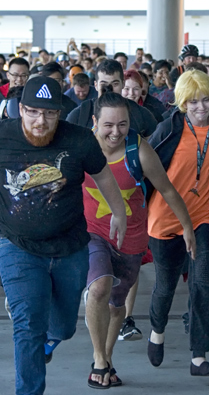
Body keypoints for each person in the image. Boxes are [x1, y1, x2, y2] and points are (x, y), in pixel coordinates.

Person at [0, 76, 127, 395]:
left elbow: (103, 175)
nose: (41, 121)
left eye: (50, 113)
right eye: (34, 112)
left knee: (65, 327)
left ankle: (50, 340)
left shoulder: (79, 140)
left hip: (70, 248)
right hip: (17, 246)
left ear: (59, 113)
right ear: (20, 109)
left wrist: (118, 212)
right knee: (28, 327)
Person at [83, 92, 193, 388]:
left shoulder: (139, 150)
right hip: (91, 232)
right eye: (108, 125)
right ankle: (98, 359)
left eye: (123, 124)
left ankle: (106, 357)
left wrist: (188, 227)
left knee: (117, 303)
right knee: (99, 288)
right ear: (94, 122)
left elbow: (167, 190)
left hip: (130, 238)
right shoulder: (82, 147)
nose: (116, 132)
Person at [146, 70, 209, 377]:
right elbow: (145, 168)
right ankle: (157, 330)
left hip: (205, 216)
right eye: (193, 102)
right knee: (166, 286)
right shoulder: (168, 128)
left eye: (206, 100)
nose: (201, 107)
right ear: (181, 103)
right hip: (166, 216)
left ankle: (199, 355)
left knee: (204, 282)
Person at [66, 59, 158, 137]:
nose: (109, 89)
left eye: (115, 84)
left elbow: (154, 147)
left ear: (123, 84)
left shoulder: (141, 115)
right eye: (103, 84)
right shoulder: (80, 116)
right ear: (96, 85)